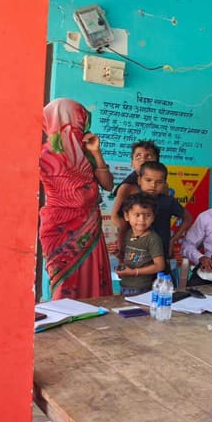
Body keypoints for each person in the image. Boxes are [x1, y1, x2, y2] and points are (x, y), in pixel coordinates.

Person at [39, 98, 114, 300]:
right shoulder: (42, 154)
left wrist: (96, 153)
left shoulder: (86, 151)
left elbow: (108, 185)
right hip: (58, 227)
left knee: (92, 280)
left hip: (89, 226)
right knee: (64, 282)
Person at [116, 161, 192, 264]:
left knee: (161, 273)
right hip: (134, 253)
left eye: (159, 182)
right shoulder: (132, 201)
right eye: (148, 180)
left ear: (164, 183)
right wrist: (120, 248)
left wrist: (173, 240)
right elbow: (122, 226)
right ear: (139, 180)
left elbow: (188, 218)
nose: (153, 185)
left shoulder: (168, 202)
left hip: (161, 253)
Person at [115, 193, 165, 295]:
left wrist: (134, 272)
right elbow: (126, 258)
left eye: (147, 215)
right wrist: (117, 253)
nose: (142, 220)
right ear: (126, 216)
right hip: (125, 284)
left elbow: (160, 266)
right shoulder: (128, 234)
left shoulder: (153, 239)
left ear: (153, 217)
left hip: (142, 287)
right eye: (137, 215)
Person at [109, 140, 161, 231]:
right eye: (138, 156)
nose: (143, 160)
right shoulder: (127, 187)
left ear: (157, 162)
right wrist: (130, 233)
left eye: (148, 156)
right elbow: (115, 217)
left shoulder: (162, 185)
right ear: (132, 163)